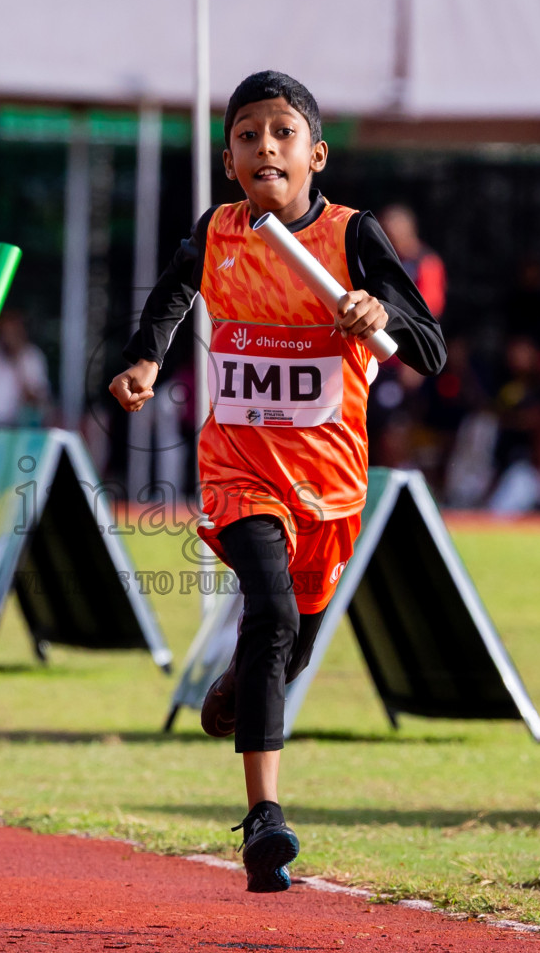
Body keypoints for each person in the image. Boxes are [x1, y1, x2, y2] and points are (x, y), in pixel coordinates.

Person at [110, 71, 444, 893]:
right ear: (230, 159)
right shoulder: (220, 230)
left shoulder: (354, 236)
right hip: (238, 468)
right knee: (266, 611)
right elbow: (175, 289)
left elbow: (430, 348)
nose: (266, 146)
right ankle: (264, 818)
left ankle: (235, 688)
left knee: (285, 643)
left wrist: (379, 315)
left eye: (283, 132)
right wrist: (147, 355)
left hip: (328, 484)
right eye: (249, 134)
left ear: (315, 154)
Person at [0, 309, 52, 426]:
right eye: (4, 332)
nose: (7, 337)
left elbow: (37, 401)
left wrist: (17, 361)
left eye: (12, 332)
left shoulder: (31, 356)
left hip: (16, 428)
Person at [378, 203, 446, 319]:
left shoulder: (427, 262)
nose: (386, 241)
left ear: (407, 231)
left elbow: (431, 306)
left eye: (390, 236)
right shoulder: (384, 261)